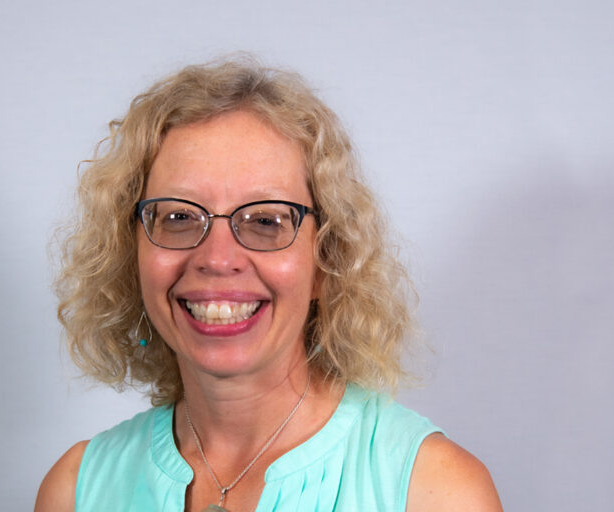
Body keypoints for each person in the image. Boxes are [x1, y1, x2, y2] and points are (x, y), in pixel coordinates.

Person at [35, 57, 503, 512]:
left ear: (326, 260)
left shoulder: (434, 491)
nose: (217, 259)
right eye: (178, 217)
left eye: (265, 220)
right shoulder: (77, 491)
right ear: (129, 252)